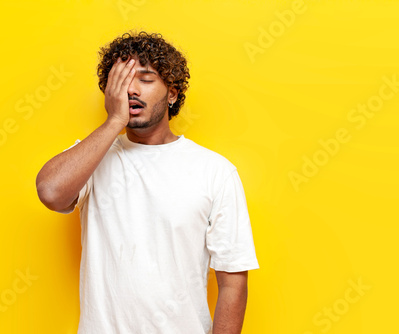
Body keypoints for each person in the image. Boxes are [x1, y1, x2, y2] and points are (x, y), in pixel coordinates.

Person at [36, 30, 259, 334]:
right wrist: (115, 121)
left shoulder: (215, 171)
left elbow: (233, 281)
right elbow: (50, 192)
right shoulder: (91, 158)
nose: (131, 90)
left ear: (172, 93)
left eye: (145, 78)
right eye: (121, 81)